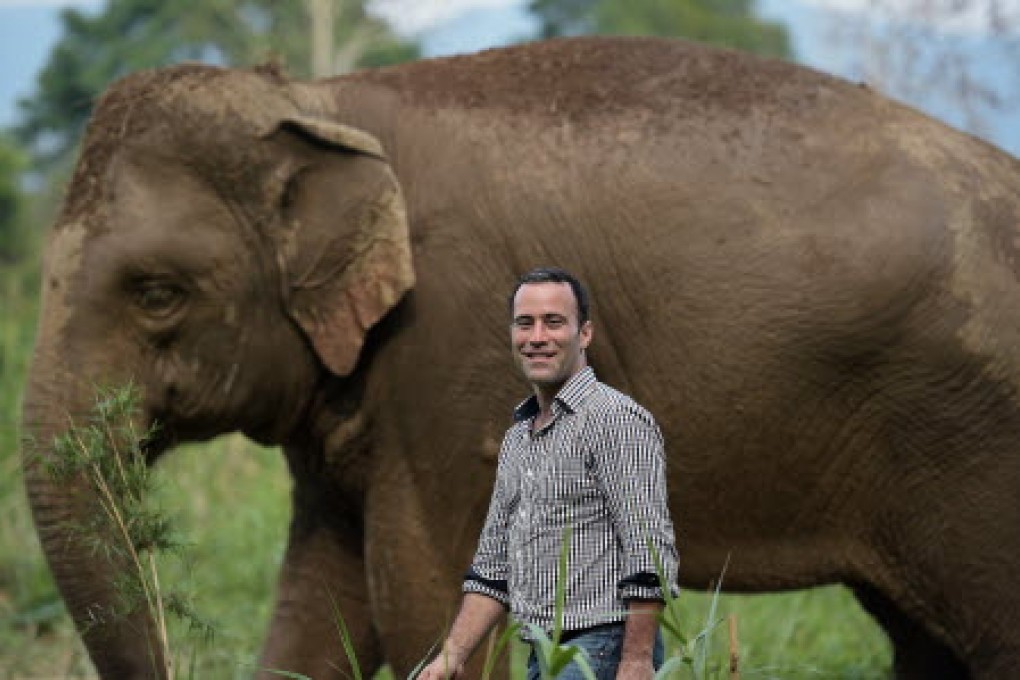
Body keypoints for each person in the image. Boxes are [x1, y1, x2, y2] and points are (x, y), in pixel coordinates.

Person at [419, 267, 679, 680]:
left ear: (585, 334)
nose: (537, 337)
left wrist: (636, 660)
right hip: (543, 652)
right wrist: (452, 656)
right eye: (525, 323)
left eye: (553, 322)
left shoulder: (616, 421)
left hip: (602, 648)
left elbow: (650, 550)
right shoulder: (518, 438)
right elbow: (493, 568)